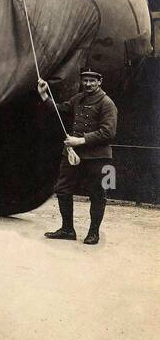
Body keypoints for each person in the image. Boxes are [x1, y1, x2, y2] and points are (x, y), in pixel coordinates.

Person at [39, 69, 118, 245]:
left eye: (92, 81)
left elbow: (108, 133)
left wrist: (80, 140)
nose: (88, 84)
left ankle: (93, 233)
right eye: (85, 80)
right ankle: (67, 230)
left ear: (100, 82)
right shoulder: (78, 99)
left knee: (97, 194)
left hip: (97, 156)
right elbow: (59, 111)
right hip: (73, 154)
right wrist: (44, 95)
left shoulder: (107, 103)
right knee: (62, 189)